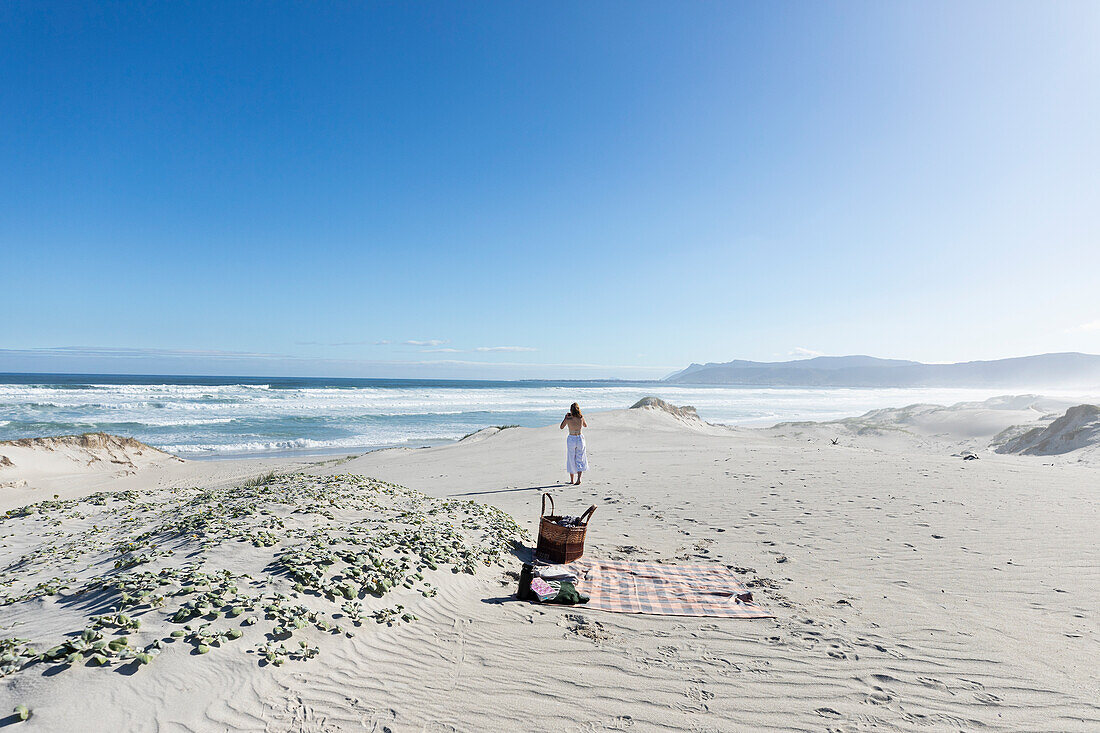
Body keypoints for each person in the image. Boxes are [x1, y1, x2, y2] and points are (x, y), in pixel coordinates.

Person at [559, 402, 588, 485]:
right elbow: (585, 425)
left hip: (571, 438)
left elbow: (561, 427)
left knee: (571, 457)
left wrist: (565, 418)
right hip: (579, 437)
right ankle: (579, 479)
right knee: (580, 457)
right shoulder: (581, 417)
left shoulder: (569, 419)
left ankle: (572, 480)